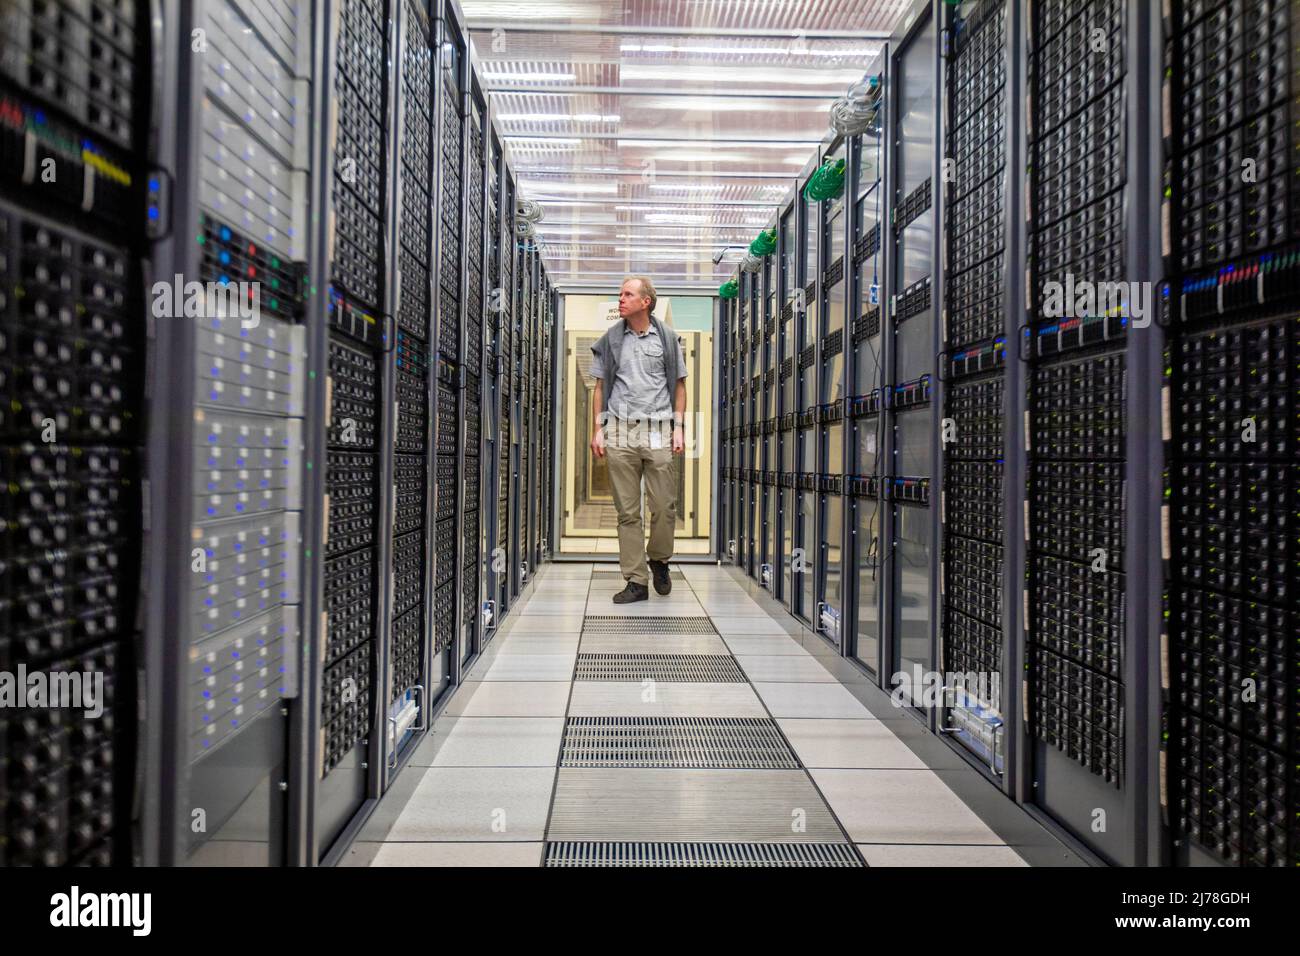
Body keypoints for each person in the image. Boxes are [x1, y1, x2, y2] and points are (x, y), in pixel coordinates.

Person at [588, 276, 688, 603]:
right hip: (620, 428)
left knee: (664, 505)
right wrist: (598, 429)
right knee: (627, 512)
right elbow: (600, 387)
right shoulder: (611, 339)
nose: (621, 299)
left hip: (658, 426)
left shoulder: (668, 338)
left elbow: (680, 386)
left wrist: (678, 426)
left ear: (646, 301)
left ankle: (659, 559)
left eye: (627, 294)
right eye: (620, 294)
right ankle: (636, 580)